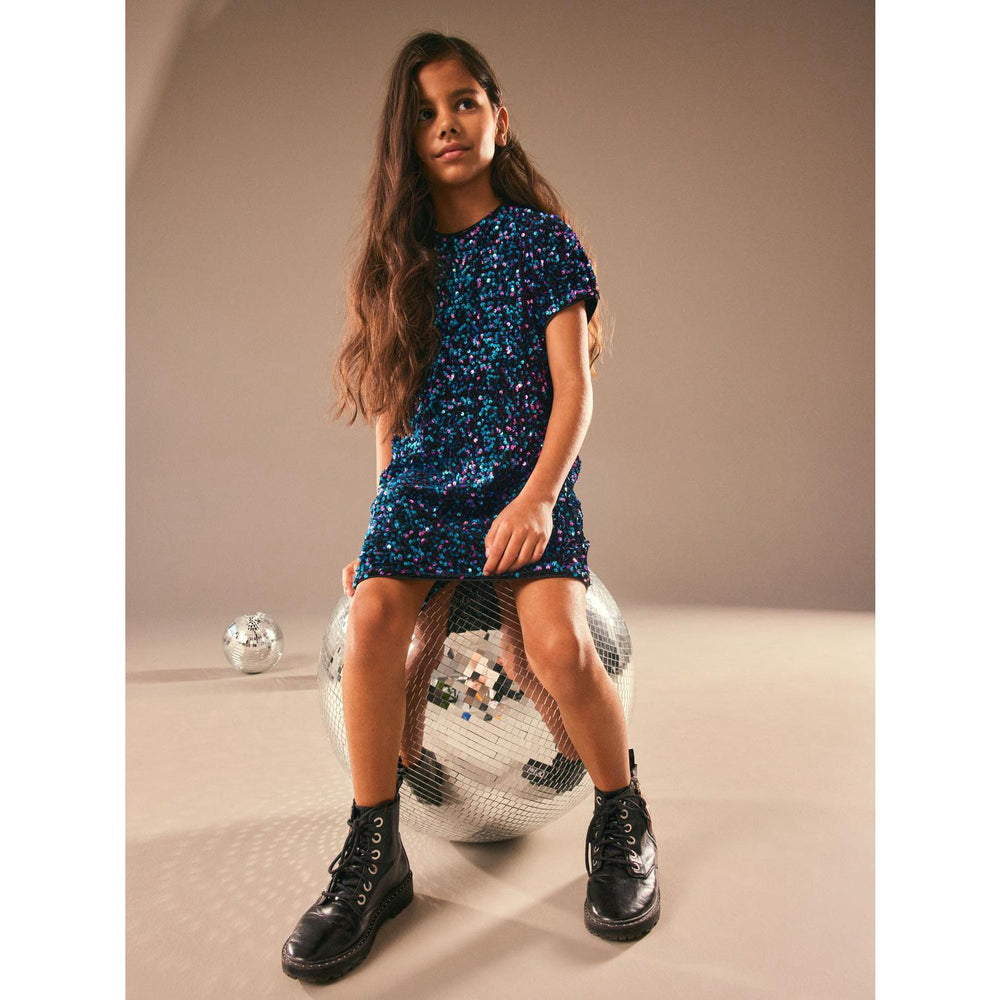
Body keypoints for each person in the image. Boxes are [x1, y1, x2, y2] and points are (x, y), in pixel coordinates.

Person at [282, 30, 660, 985]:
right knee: (374, 620)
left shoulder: (541, 242)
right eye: (424, 113)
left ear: (499, 117)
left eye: (463, 103)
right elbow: (390, 405)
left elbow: (573, 390)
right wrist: (382, 525)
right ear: (404, 139)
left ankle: (621, 817)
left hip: (522, 489)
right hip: (424, 489)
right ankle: (376, 852)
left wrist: (539, 499)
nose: (446, 124)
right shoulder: (397, 261)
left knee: (559, 647)